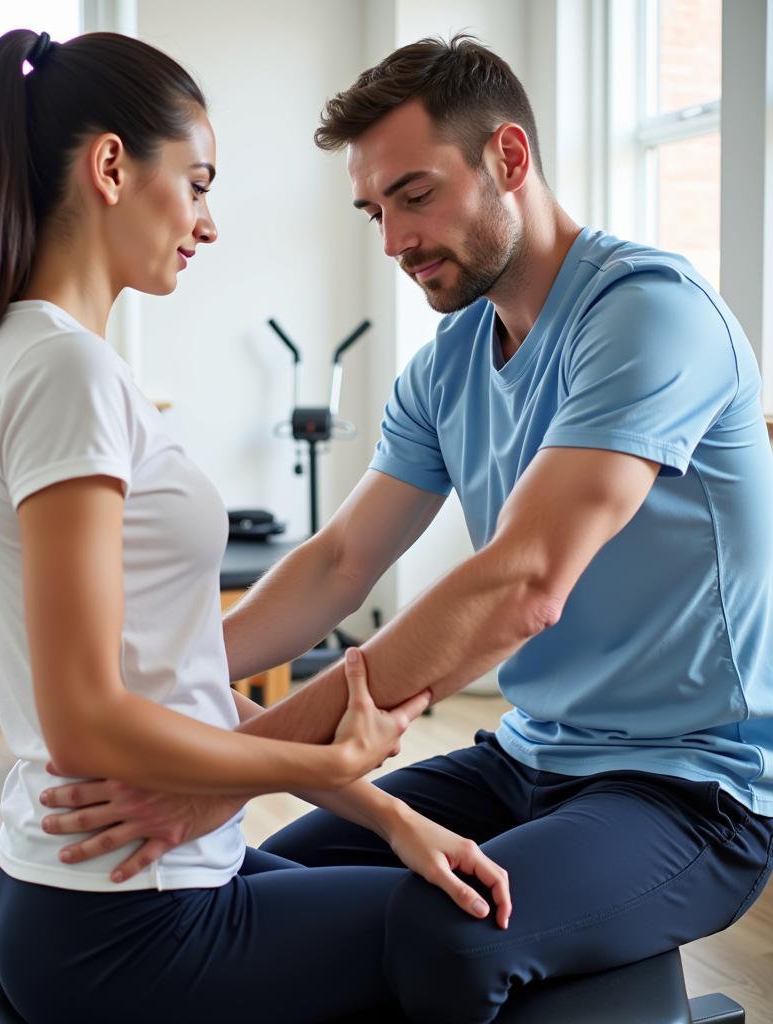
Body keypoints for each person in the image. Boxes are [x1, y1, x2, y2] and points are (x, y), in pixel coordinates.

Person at [41, 34, 773, 1023]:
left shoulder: (647, 317)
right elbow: (339, 562)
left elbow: (523, 583)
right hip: (524, 758)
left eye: (414, 195)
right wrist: (165, 694)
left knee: (448, 928)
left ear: (508, 159)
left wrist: (230, 764)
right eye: (373, 209)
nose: (391, 239)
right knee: (245, 889)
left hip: (687, 788)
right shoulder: (450, 360)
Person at [0, 29, 513, 1024]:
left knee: (420, 871)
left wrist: (394, 818)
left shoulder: (19, 350)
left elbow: (171, 692)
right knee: (480, 926)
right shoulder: (67, 371)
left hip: (54, 896)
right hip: (128, 922)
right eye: (197, 182)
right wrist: (322, 762)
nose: (208, 223)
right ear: (108, 166)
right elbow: (86, 715)